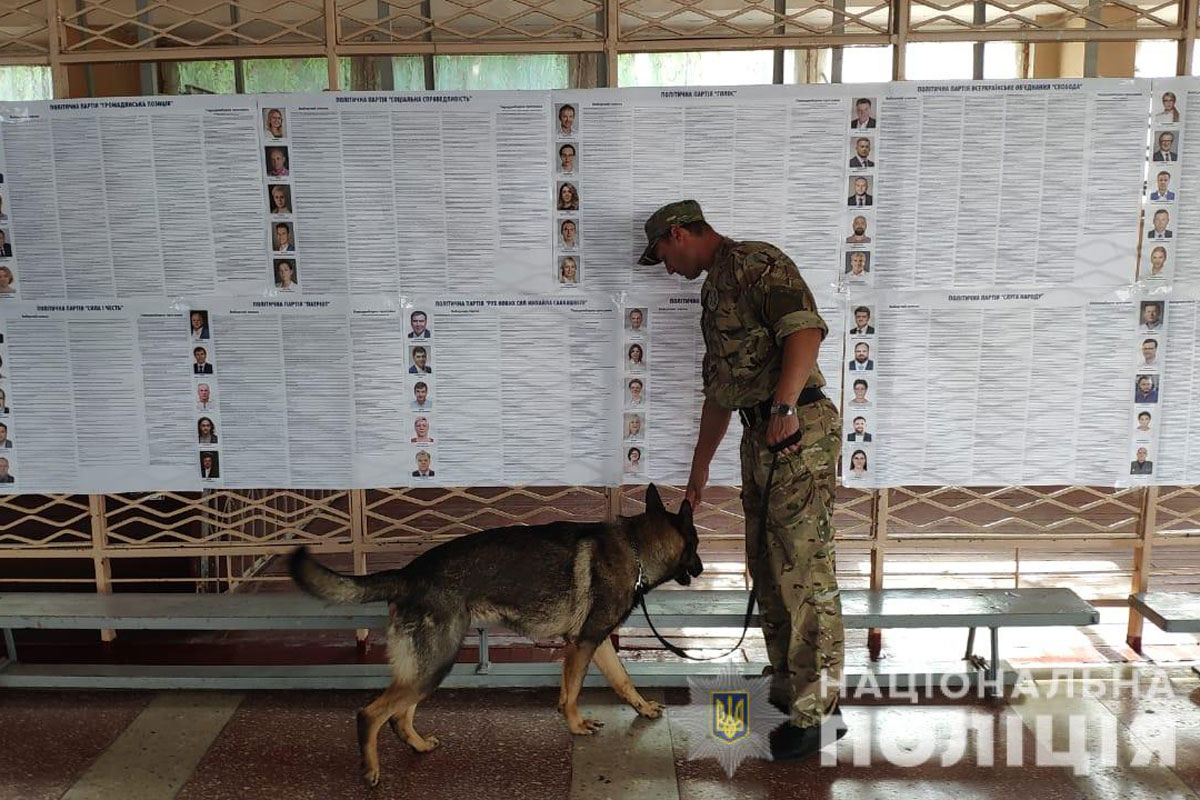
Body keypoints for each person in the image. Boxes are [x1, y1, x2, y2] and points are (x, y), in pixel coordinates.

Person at [637, 199, 845, 761]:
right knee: (767, 561)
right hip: (763, 435)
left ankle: (819, 712)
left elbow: (804, 332)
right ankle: (787, 680)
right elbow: (721, 393)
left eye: (661, 254)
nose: (665, 268)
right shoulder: (714, 287)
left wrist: (782, 410)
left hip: (797, 430)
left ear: (678, 234)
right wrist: (700, 466)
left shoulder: (756, 262)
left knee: (804, 567)